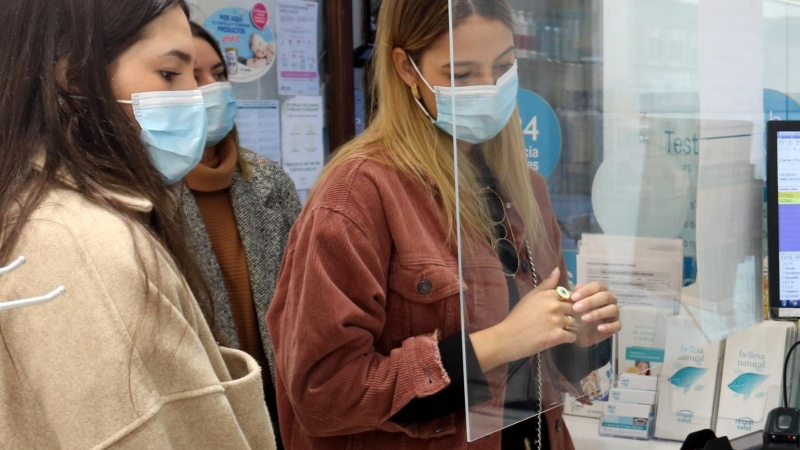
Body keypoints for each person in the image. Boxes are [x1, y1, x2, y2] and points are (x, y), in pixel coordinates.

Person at [267, 0, 621, 449]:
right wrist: (497, 343)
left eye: (504, 66)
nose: (489, 89)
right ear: (406, 67)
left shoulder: (525, 186)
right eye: (461, 74)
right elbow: (322, 394)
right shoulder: (358, 194)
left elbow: (531, 371)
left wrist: (580, 335)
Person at [0, 1, 275, 448]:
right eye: (170, 74)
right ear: (72, 77)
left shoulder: (66, 211)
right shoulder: (82, 243)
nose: (196, 98)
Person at [178, 21, 301, 448]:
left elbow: (306, 301)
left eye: (218, 74)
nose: (211, 88)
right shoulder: (137, 198)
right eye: (191, 76)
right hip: (199, 421)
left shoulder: (268, 181)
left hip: (283, 409)